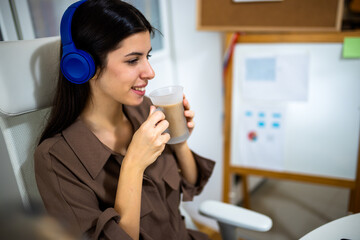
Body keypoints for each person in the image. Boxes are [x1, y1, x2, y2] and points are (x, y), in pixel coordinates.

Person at [34, 0, 215, 239]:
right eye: (133, 60)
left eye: (147, 56)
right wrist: (134, 164)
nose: (150, 72)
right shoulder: (57, 160)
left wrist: (180, 141)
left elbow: (190, 183)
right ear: (83, 67)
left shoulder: (147, 111)